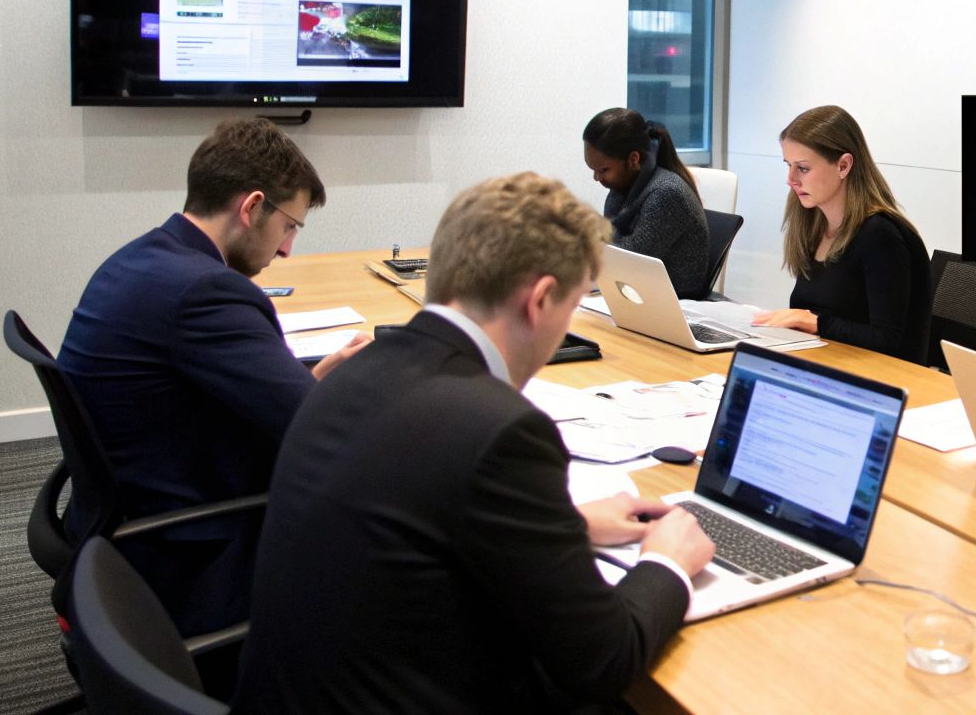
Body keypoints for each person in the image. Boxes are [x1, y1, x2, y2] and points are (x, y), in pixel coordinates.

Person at [236, 173, 713, 714]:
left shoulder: (354, 372)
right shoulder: (501, 429)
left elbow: (419, 523)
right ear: (540, 301)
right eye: (574, 307)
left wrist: (568, 526)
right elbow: (602, 660)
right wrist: (667, 564)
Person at [58, 117, 370, 635]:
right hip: (188, 552)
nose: (288, 248)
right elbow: (314, 430)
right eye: (289, 225)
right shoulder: (208, 293)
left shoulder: (140, 257)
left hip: (124, 518)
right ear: (251, 208)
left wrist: (310, 376)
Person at [753, 105, 932, 363]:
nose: (790, 179)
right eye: (788, 165)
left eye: (802, 168)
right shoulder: (813, 221)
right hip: (830, 364)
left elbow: (889, 341)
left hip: (883, 379)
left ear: (844, 165)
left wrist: (816, 323)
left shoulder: (880, 236)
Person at [583, 107, 711, 296]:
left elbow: (630, 262)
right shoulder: (620, 190)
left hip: (675, 305)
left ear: (633, 159)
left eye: (603, 170)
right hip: (638, 295)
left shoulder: (667, 193)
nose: (596, 177)